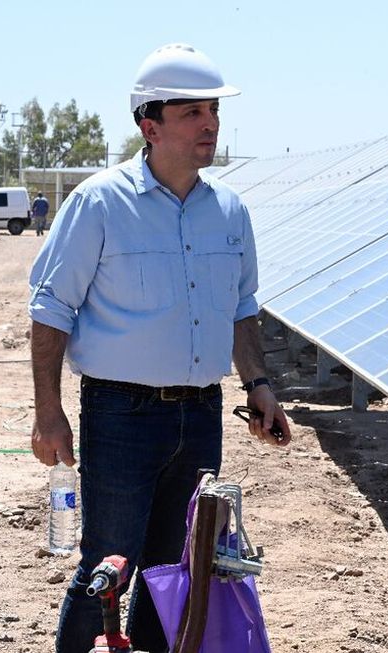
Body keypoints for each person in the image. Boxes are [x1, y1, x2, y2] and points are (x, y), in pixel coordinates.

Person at [28, 43, 291, 653]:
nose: (211, 124)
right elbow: (50, 309)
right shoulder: (100, 203)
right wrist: (48, 410)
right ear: (150, 125)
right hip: (122, 415)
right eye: (194, 112)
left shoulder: (229, 211)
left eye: (214, 111)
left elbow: (241, 308)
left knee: (175, 570)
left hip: (200, 416)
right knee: (107, 568)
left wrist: (258, 385)